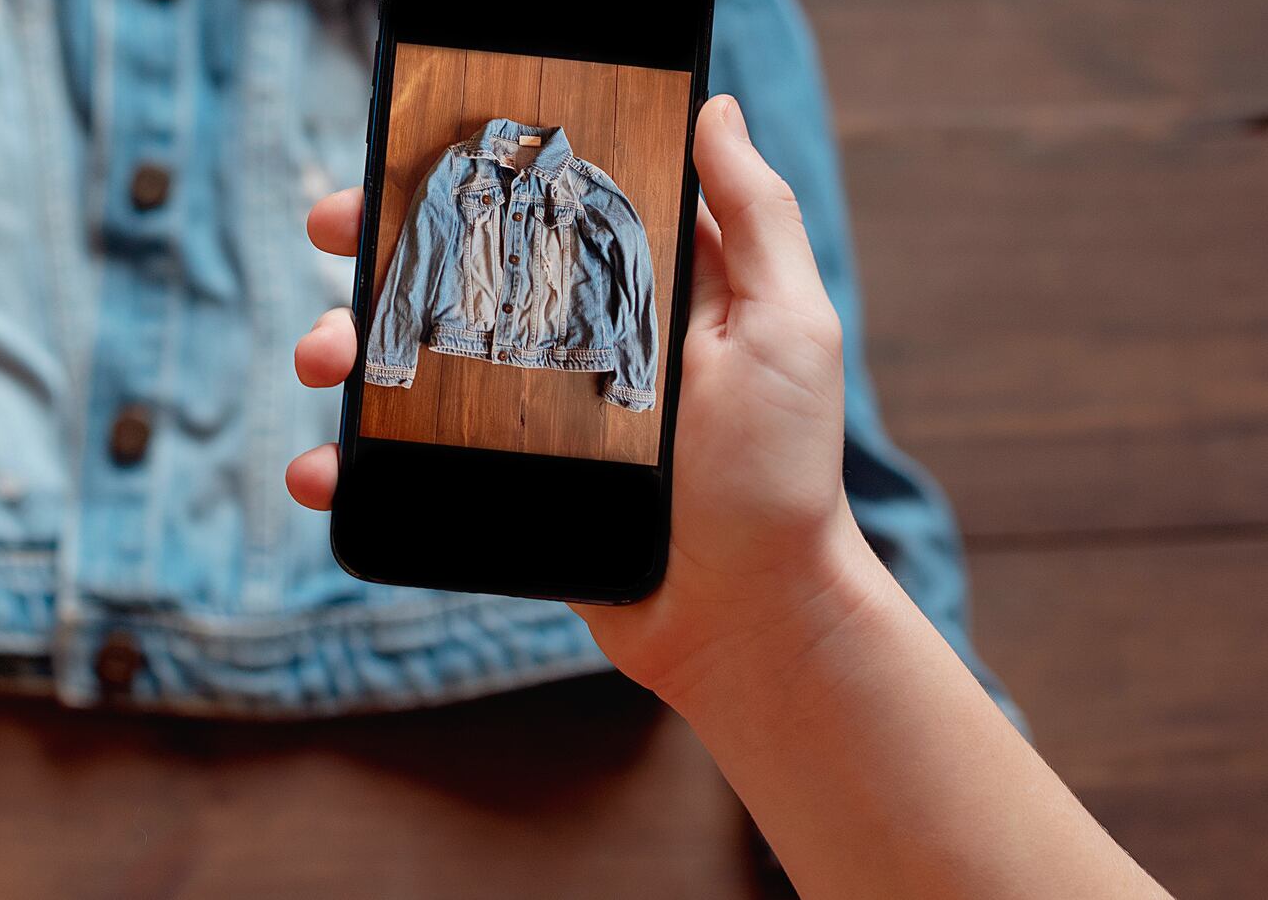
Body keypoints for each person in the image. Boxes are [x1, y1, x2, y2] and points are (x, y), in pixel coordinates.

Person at [285, 94, 1170, 899]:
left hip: (564, 376)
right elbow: (419, 260)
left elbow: (633, 274)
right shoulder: (454, 173)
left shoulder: (593, 186)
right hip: (468, 358)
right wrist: (397, 360)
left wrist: (634, 390)